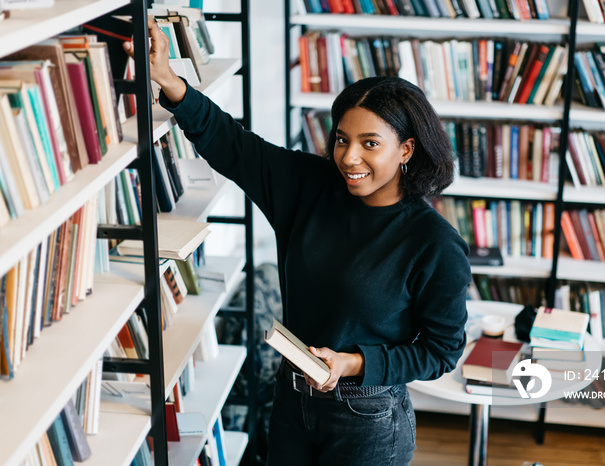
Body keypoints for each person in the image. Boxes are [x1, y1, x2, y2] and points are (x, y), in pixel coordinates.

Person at [125, 20, 471, 466]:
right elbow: (233, 145)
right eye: (342, 139)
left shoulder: (434, 242)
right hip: (291, 401)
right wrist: (169, 80)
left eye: (370, 144)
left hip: (366, 416)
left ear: (406, 150)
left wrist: (353, 363)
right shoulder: (309, 185)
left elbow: (440, 352)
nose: (349, 157)